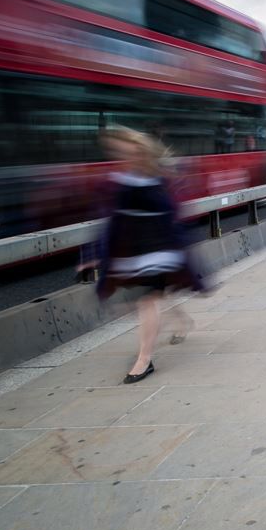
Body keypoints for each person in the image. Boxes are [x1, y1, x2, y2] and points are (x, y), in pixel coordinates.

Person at [86, 127, 204, 383]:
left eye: (129, 153)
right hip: (133, 250)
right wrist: (95, 254)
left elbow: (174, 213)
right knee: (147, 299)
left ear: (142, 153)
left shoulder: (159, 179)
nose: (124, 157)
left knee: (147, 300)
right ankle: (182, 321)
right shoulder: (120, 180)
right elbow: (110, 221)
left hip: (160, 248)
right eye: (119, 153)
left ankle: (144, 359)